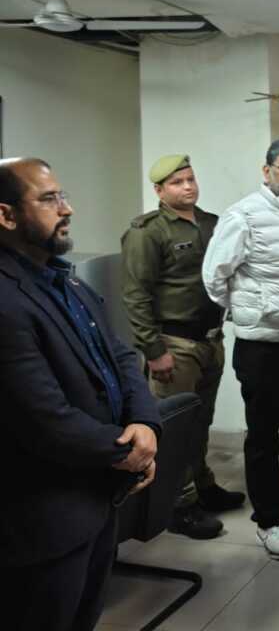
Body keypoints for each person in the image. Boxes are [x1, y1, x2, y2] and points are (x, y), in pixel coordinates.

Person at [0, 158, 161, 631]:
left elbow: (121, 356)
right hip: (42, 519)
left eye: (63, 195)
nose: (66, 208)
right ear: (6, 215)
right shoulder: (5, 299)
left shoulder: (63, 279)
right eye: (49, 199)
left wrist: (145, 423)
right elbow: (42, 418)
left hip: (94, 501)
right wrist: (129, 453)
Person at [202, 138, 279, 560]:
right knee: (263, 436)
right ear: (267, 170)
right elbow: (214, 276)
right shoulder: (244, 215)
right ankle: (269, 521)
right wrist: (249, 310)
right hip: (261, 347)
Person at [121, 154, 244, 540]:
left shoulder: (212, 223)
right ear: (159, 190)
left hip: (210, 339)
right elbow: (136, 295)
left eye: (191, 179)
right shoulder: (147, 232)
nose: (188, 187)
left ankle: (202, 485)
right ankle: (178, 505)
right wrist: (154, 350)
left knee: (200, 421)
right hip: (174, 344)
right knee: (173, 428)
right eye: (177, 182)